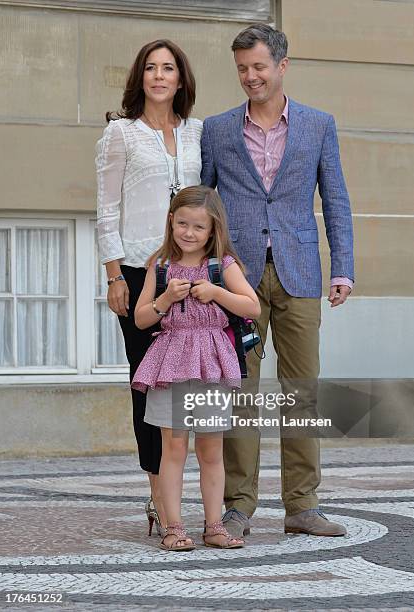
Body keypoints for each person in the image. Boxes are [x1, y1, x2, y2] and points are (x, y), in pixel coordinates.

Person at [201, 24, 354, 538]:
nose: (250, 77)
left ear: (282, 66)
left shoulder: (318, 125)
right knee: (241, 391)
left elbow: (336, 200)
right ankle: (238, 506)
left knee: (301, 392)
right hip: (236, 280)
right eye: (242, 68)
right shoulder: (218, 130)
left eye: (259, 67)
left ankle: (302, 506)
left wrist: (342, 268)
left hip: (300, 274)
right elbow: (203, 207)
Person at [96, 39, 202, 536]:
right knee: (147, 384)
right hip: (139, 272)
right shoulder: (120, 134)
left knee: (182, 386)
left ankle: (181, 497)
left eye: (169, 68)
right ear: (140, 77)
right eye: (151, 68)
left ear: (181, 78)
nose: (160, 76)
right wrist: (114, 274)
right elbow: (107, 211)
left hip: (188, 272)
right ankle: (159, 499)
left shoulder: (198, 132)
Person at [131, 185, 260, 551]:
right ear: (171, 221)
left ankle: (214, 525)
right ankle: (173, 526)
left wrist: (216, 293)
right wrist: (166, 298)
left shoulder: (223, 266)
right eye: (182, 223)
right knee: (173, 447)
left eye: (198, 227)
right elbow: (141, 319)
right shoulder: (159, 265)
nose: (188, 232)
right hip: (170, 364)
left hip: (213, 366)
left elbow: (252, 308)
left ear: (213, 230)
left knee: (211, 450)